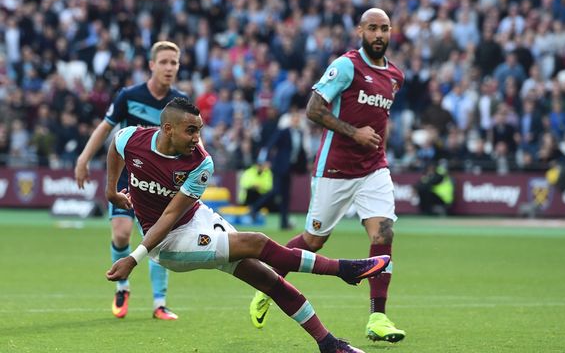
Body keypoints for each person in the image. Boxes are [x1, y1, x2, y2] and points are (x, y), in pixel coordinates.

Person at [105, 98, 388, 353]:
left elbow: (173, 213)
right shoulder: (131, 138)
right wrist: (112, 193)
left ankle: (328, 343)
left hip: (197, 220)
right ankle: (344, 269)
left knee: (267, 279)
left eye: (200, 130)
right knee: (256, 242)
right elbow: (117, 152)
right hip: (168, 245)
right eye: (190, 131)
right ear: (167, 129)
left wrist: (132, 257)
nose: (197, 138)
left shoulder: (200, 164)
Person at [250, 8, 406, 343]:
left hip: (374, 168)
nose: (379, 34)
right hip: (335, 169)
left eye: (385, 29)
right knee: (313, 240)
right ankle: (268, 284)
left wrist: (380, 149)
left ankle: (378, 317)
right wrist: (354, 134)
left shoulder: (395, 75)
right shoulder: (346, 65)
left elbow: (381, 121)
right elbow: (313, 109)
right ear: (360, 31)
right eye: (373, 28)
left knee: (384, 233)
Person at [75, 41, 188, 320]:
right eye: (164, 62)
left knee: (157, 240)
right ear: (151, 65)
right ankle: (122, 287)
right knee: (122, 233)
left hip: (161, 181)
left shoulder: (179, 103)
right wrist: (83, 158)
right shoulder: (129, 96)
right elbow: (106, 127)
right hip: (128, 175)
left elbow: (193, 141)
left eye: (174, 63)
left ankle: (159, 303)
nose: (169, 68)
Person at [252, 110, 307, 229]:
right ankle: (254, 208)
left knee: (286, 196)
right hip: (279, 166)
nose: (296, 120)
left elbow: (300, 152)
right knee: (276, 191)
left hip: (289, 168)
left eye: (298, 118)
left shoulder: (300, 133)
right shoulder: (284, 131)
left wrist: (303, 166)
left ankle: (284, 223)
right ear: (291, 120)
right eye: (294, 118)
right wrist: (266, 160)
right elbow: (271, 144)